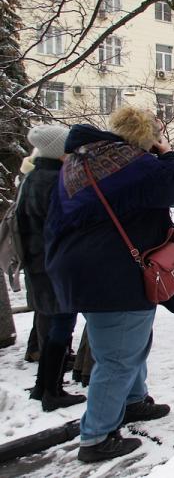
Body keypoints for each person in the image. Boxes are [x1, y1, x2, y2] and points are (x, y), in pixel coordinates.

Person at [45, 106, 174, 462]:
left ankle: (133, 401)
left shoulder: (81, 162)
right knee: (117, 356)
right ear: (145, 136)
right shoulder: (130, 162)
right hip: (113, 269)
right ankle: (96, 438)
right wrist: (167, 152)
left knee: (130, 340)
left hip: (87, 268)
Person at [17, 125, 87, 411]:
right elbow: (63, 224)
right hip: (55, 265)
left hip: (40, 265)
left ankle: (42, 385)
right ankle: (52, 390)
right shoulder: (53, 180)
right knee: (61, 326)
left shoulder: (33, 177)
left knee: (54, 324)